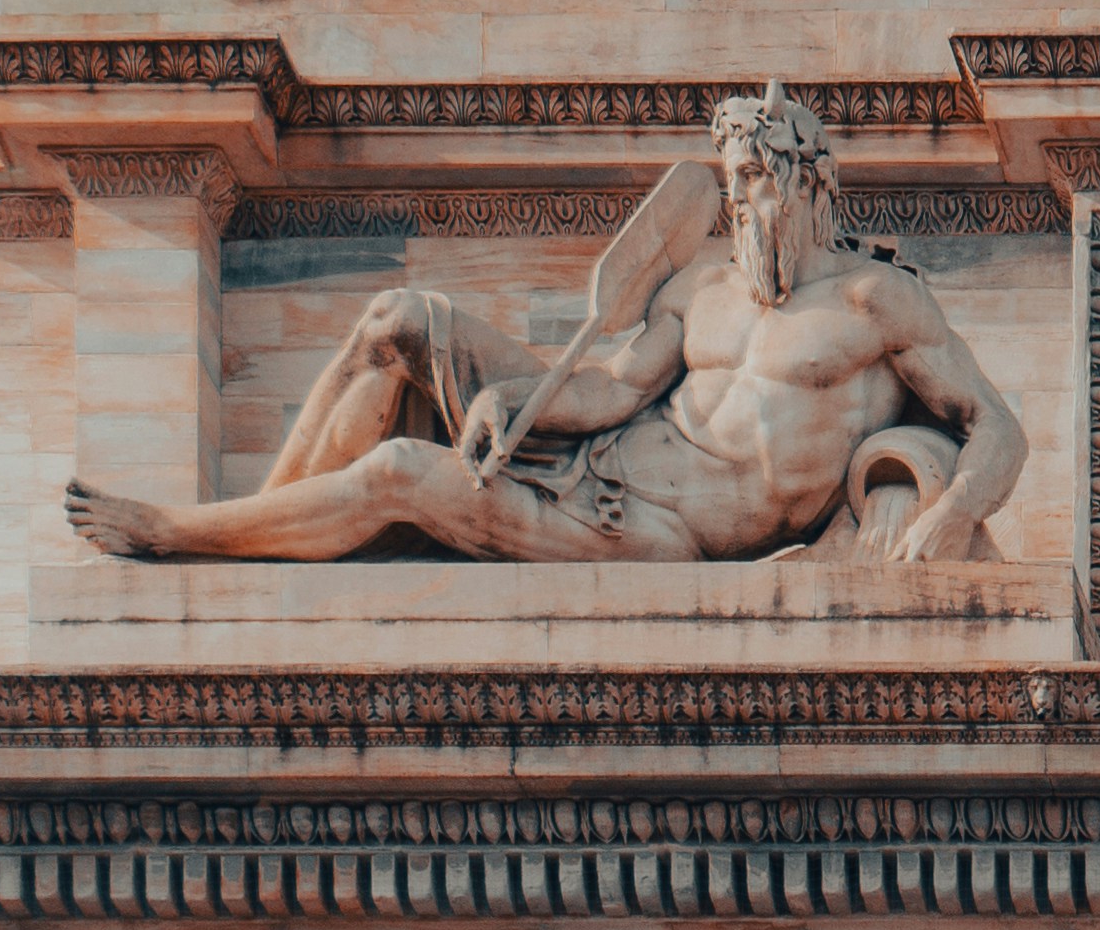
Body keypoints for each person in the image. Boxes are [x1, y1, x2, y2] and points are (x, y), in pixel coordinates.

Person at [67, 86, 1026, 568]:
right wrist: (517, 396)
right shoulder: (701, 285)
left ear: (810, 182)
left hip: (653, 533)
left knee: (402, 472)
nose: (745, 205)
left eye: (761, 182)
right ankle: (254, 568)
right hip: (599, 458)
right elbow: (613, 387)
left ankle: (181, 536)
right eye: (733, 188)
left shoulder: (876, 303)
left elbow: (996, 425)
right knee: (398, 320)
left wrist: (954, 511)